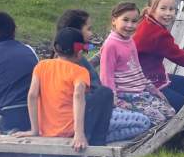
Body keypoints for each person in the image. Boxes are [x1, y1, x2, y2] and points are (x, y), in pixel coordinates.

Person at [56, 9, 151, 141]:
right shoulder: (75, 62)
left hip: (88, 114)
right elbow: (81, 96)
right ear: (75, 32)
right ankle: (95, 140)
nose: (91, 33)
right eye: (88, 29)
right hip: (88, 117)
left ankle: (96, 137)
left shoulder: (65, 55)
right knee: (145, 122)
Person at [15, 27, 112, 150]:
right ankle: (97, 143)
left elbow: (32, 96)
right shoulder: (80, 71)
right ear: (80, 53)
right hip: (69, 132)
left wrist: (34, 130)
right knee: (105, 93)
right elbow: (78, 96)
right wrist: (79, 134)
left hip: (46, 131)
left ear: (55, 49)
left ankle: (37, 129)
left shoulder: (41, 66)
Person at [100, 2, 175, 126]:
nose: (129, 25)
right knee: (159, 120)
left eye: (134, 21)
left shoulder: (129, 40)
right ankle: (149, 143)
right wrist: (116, 101)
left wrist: (152, 89)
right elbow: (106, 77)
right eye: (125, 20)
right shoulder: (111, 45)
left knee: (171, 112)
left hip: (141, 92)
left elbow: (137, 69)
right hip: (125, 96)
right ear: (114, 20)